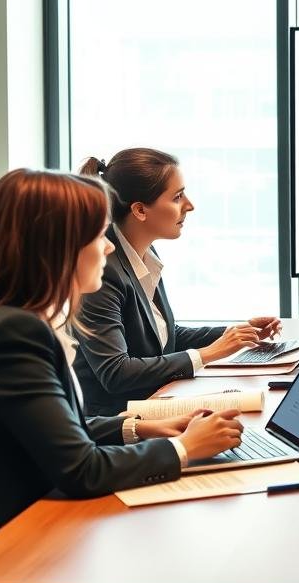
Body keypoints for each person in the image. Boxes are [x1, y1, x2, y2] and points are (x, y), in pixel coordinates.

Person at [0, 167, 253, 583]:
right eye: (97, 237)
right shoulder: (17, 332)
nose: (108, 249)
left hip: (39, 554)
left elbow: (59, 431)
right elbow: (80, 468)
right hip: (26, 581)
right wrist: (184, 448)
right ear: (59, 248)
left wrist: (138, 426)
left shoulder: (19, 320)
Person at [74, 148, 281, 415]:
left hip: (154, 405)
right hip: (118, 423)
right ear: (140, 210)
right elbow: (116, 372)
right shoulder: (102, 270)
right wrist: (208, 354)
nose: (190, 205)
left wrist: (236, 334)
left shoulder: (145, 254)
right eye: (177, 197)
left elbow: (163, 336)